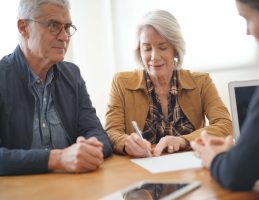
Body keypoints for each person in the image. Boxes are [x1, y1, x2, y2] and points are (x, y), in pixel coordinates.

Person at [191, 0, 259, 199]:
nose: (248, 31)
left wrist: (215, 159)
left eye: (247, 19)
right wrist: (245, 150)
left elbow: (236, 174)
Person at [0, 0, 112, 176]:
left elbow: (96, 131)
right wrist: (57, 159)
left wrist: (91, 148)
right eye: (53, 25)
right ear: (23, 27)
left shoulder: (72, 74)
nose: (64, 37)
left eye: (67, 28)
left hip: (74, 187)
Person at [105, 9, 232, 158]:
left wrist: (183, 140)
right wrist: (126, 143)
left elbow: (225, 125)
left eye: (163, 47)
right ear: (139, 51)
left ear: (175, 50)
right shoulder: (121, 83)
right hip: (142, 168)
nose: (154, 56)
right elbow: (111, 132)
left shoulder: (201, 82)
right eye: (146, 48)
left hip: (189, 168)